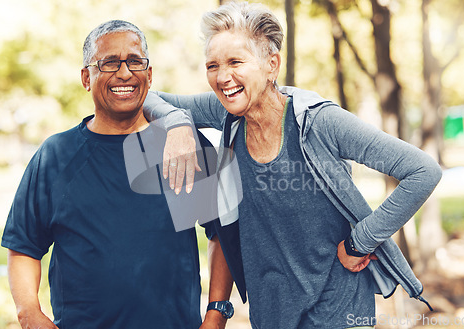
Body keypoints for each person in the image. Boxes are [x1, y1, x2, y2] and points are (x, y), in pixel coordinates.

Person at [143, 2, 443, 329]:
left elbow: (423, 171)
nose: (222, 76)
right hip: (271, 313)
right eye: (212, 65)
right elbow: (144, 96)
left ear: (272, 65)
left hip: (338, 309)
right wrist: (177, 124)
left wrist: (361, 241)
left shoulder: (319, 123)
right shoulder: (227, 114)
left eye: (235, 62)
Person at [1, 20, 233, 329]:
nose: (124, 73)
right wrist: (29, 313)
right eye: (110, 63)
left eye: (135, 61)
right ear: (86, 77)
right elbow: (23, 245)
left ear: (149, 75)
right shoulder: (55, 155)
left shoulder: (183, 146)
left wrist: (216, 314)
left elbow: (222, 231)